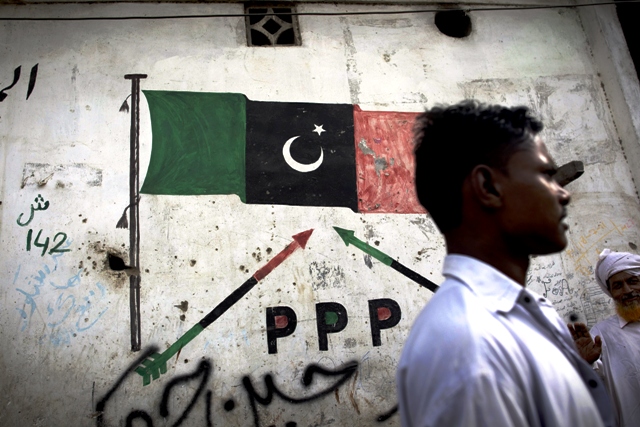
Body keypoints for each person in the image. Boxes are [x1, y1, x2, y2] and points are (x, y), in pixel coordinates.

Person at [396, 100, 614, 427]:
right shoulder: (468, 345)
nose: (563, 193)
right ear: (487, 187)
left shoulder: (524, 312)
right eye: (545, 175)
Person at [568, 249, 640, 427]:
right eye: (617, 286)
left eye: (633, 281)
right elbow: (590, 387)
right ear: (611, 293)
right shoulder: (602, 334)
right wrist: (586, 364)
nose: (628, 290)